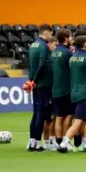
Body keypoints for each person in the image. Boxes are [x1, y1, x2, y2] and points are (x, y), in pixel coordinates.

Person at [25, 24, 54, 152]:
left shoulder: (33, 45)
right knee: (41, 114)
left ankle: (31, 142)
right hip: (42, 84)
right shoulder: (43, 46)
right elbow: (42, 65)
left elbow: (31, 64)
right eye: (51, 33)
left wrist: (31, 80)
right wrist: (35, 81)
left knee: (36, 112)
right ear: (46, 32)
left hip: (35, 83)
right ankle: (37, 144)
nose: (51, 36)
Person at [50, 29, 74, 148]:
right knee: (69, 115)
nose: (71, 39)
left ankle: (58, 142)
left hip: (55, 88)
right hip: (66, 88)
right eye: (69, 37)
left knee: (58, 116)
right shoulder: (67, 53)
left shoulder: (53, 52)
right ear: (65, 38)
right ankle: (66, 141)